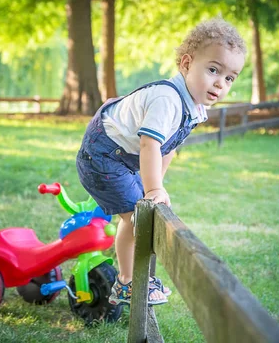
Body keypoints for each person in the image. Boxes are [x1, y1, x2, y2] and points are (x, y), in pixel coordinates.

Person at [76, 17, 246, 305]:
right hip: (102, 157)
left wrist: (153, 186)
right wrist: (152, 190)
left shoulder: (194, 107)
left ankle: (133, 277)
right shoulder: (167, 99)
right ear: (186, 63)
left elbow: (169, 147)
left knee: (143, 211)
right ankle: (127, 282)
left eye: (229, 78)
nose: (220, 82)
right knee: (138, 220)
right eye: (213, 69)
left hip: (121, 157)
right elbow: (150, 144)